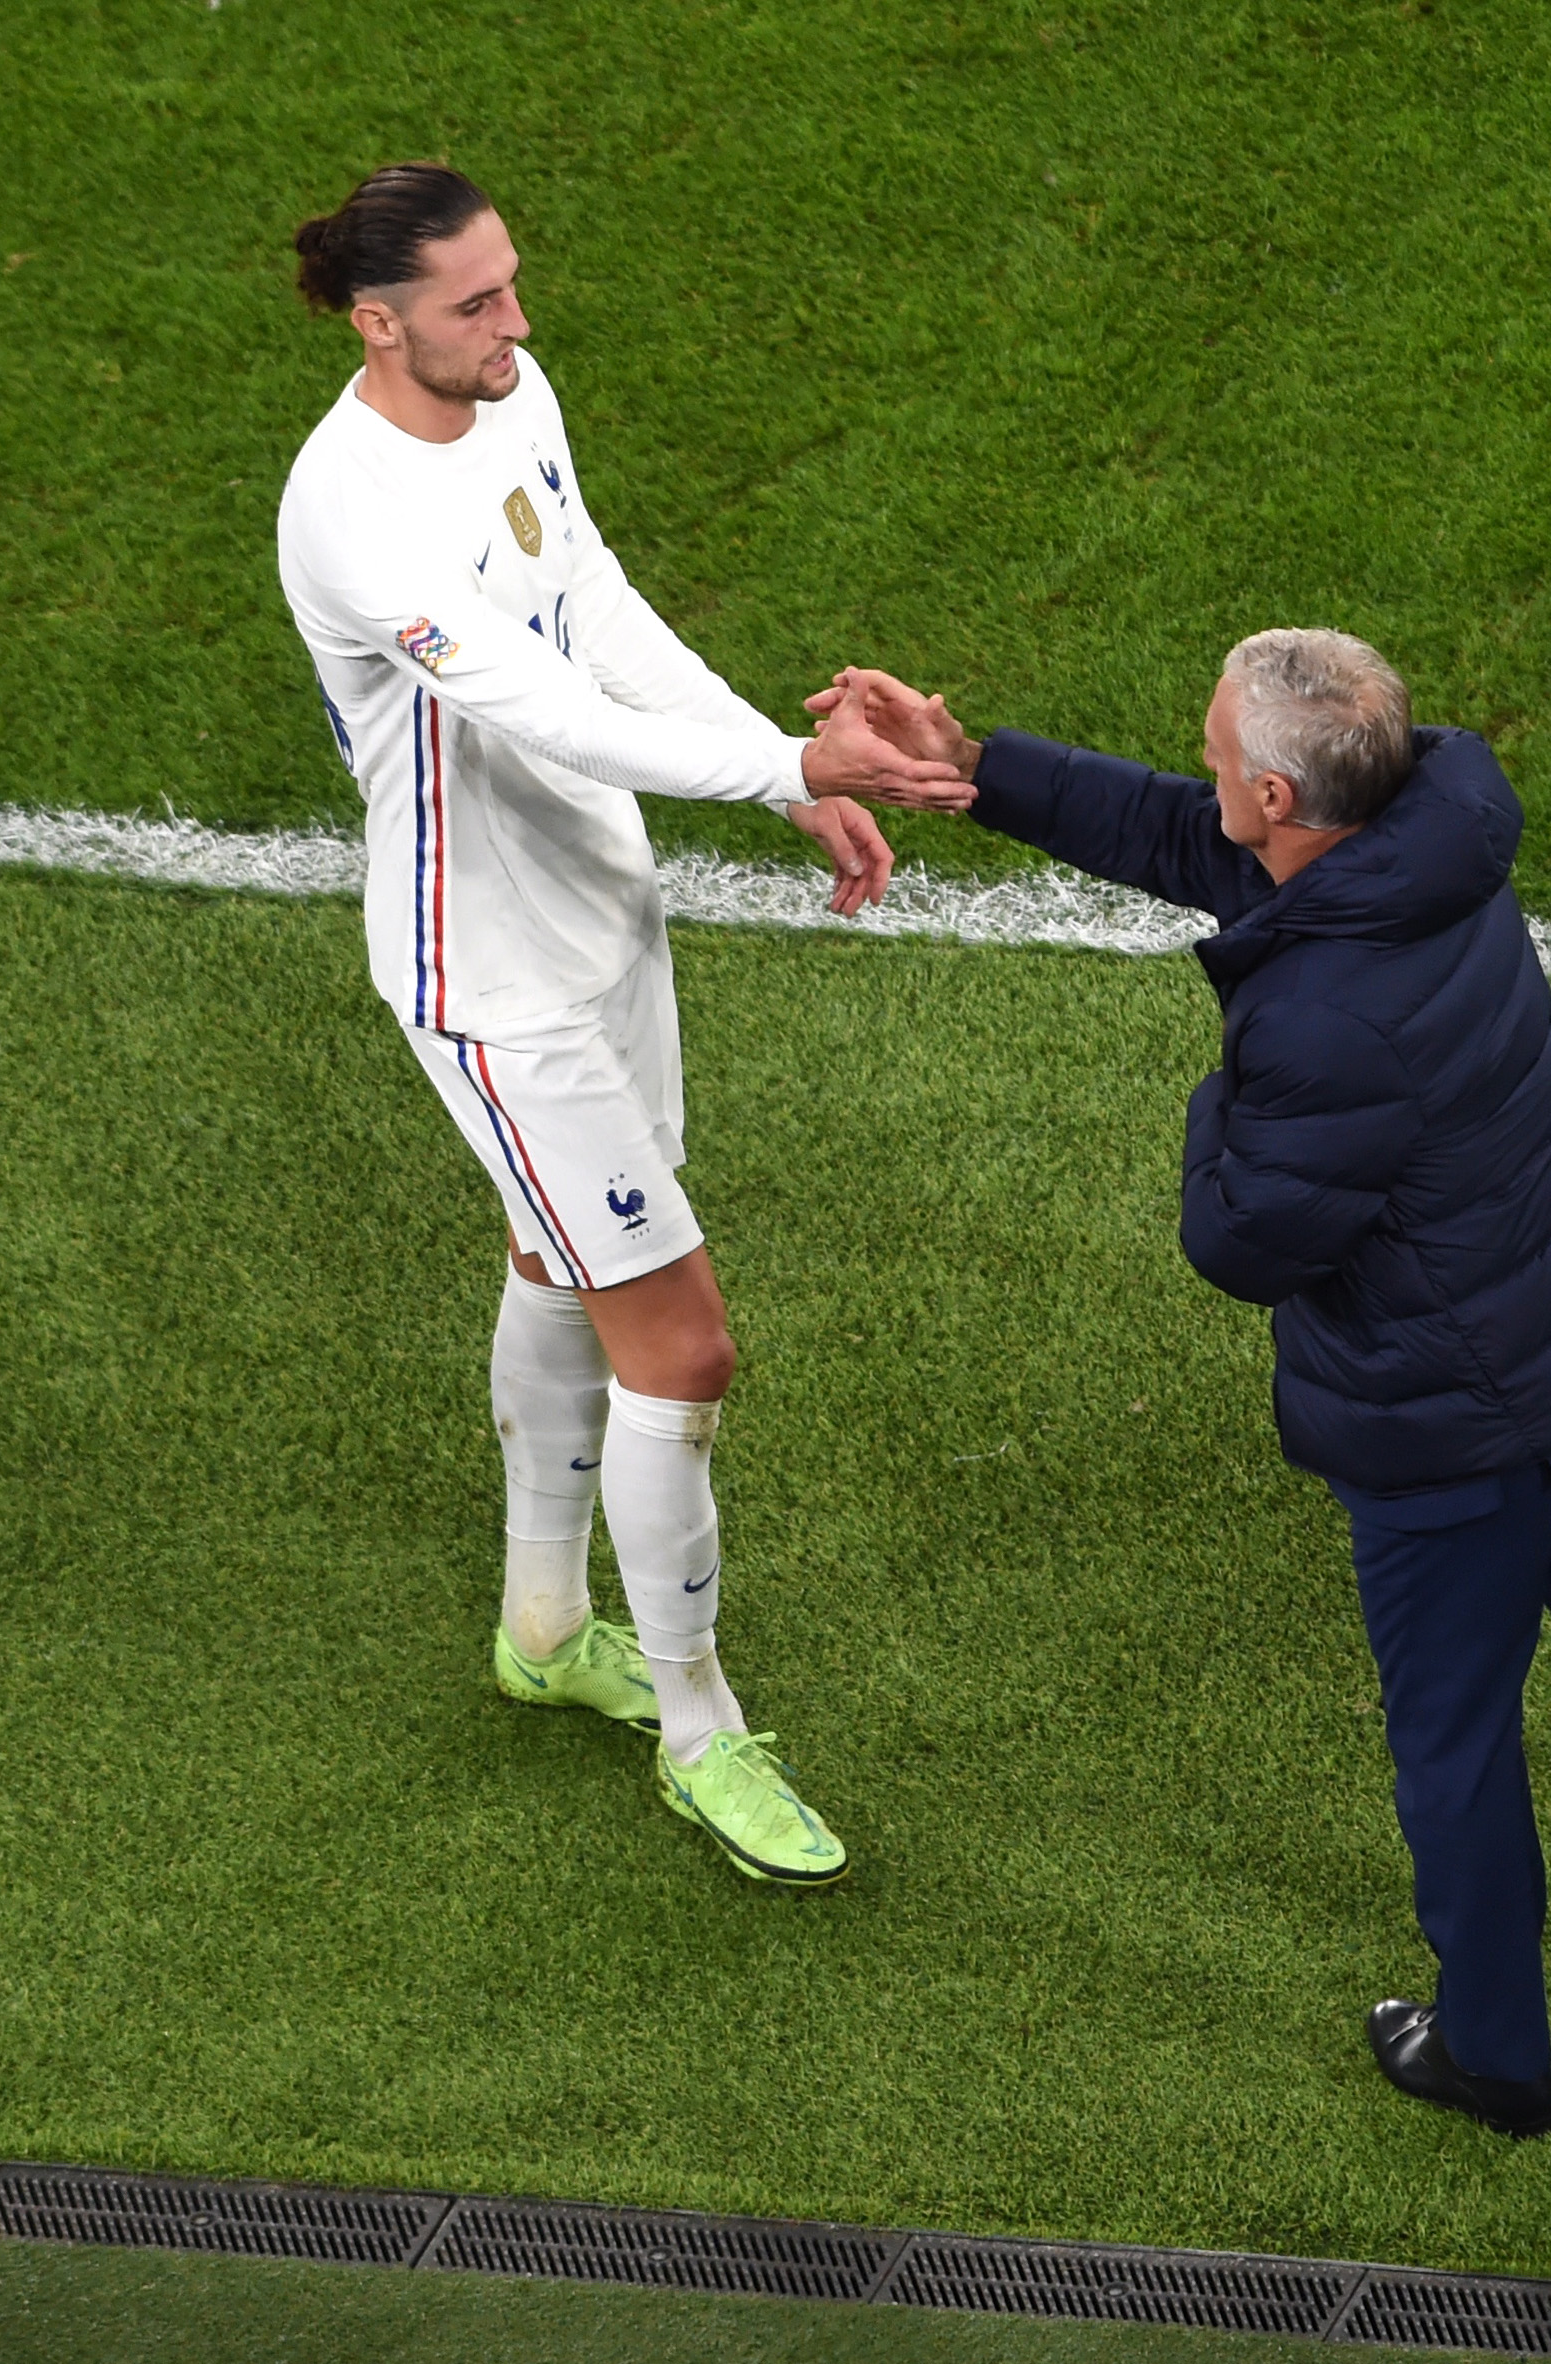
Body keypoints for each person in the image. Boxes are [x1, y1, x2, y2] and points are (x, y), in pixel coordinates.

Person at [817, 635, 1551, 2127]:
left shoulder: (1320, 1009)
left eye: (1226, 754)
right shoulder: (1422, 841)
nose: (1207, 769)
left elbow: (1239, 1240)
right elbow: (1190, 832)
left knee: (1454, 1740)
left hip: (1449, 1423)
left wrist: (1215, 1097)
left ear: (1285, 789)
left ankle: (1492, 2054)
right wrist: (976, 770)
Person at [274, 162, 972, 1887]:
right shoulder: (352, 515)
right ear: (379, 325)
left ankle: (537, 1625)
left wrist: (776, 775)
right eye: (473, 304)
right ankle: (697, 1726)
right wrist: (792, 761)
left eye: (513, 284)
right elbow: (541, 713)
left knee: (551, 1266)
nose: (515, 324)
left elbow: (596, 610)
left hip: (604, 919)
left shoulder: (513, 398)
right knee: (683, 1349)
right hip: (494, 990)